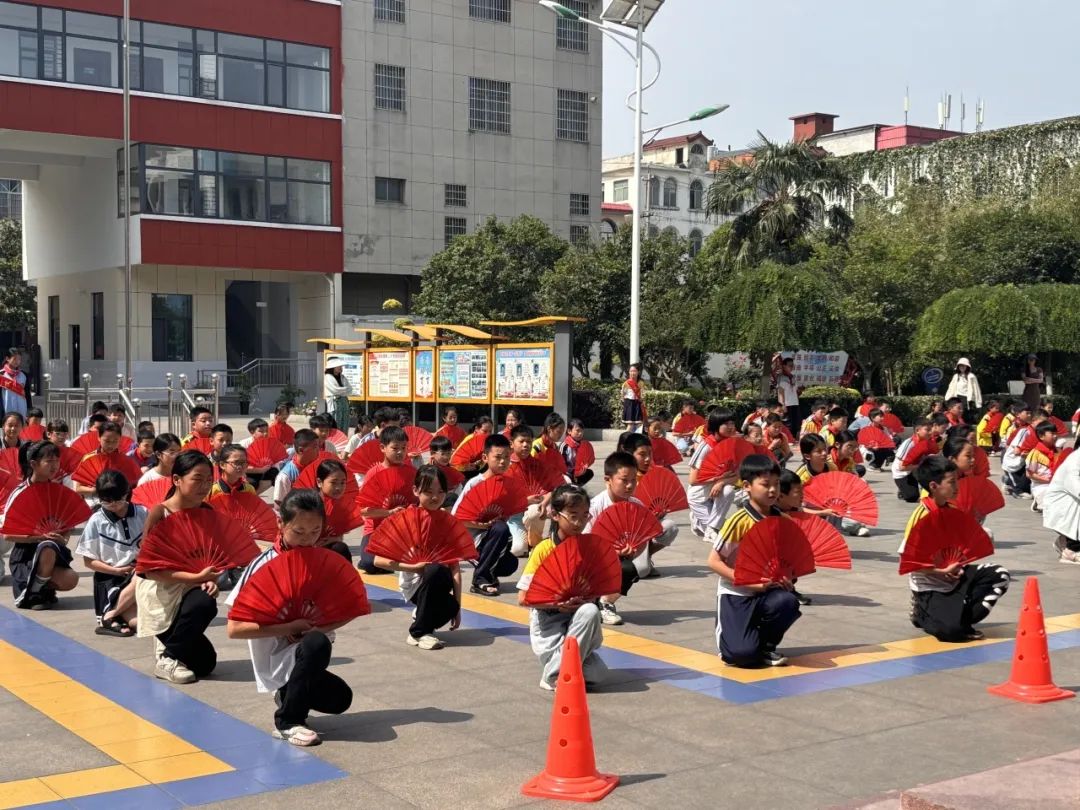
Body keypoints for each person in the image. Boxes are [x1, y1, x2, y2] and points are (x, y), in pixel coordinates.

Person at [226, 489, 354, 747]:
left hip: (306, 653)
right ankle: (287, 721)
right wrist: (289, 626)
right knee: (317, 644)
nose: (307, 540)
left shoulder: (321, 560)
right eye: (298, 532)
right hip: (276, 656)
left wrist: (318, 626)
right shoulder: (263, 565)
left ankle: (290, 692)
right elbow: (235, 629)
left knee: (340, 699)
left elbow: (347, 610)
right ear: (280, 524)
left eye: (315, 531)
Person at [900, 456, 1010, 642]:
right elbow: (909, 563)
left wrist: (958, 566)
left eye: (956, 481)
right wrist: (941, 570)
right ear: (934, 486)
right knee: (951, 633)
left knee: (1000, 575)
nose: (957, 487)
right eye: (951, 482)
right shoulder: (921, 516)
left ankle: (961, 618)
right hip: (930, 583)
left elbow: (960, 547)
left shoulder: (952, 509)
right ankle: (923, 611)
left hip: (954, 576)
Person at [708, 454, 801, 667]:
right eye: (765, 484)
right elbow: (714, 561)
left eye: (776, 484)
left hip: (768, 590)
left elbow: (788, 560)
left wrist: (788, 578)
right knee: (739, 655)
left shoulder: (783, 520)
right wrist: (745, 581)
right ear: (747, 486)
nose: (772, 490)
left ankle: (767, 646)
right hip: (736, 593)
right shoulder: (738, 521)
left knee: (787, 602)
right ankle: (736, 638)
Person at [136, 450, 219, 684]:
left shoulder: (208, 513)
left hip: (189, 585)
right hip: (160, 589)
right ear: (177, 480)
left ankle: (168, 652)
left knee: (206, 664)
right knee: (203, 605)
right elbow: (148, 570)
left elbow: (211, 556)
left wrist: (209, 578)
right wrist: (195, 578)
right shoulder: (160, 513)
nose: (204, 486)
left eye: (208, 480)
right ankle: (169, 659)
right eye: (197, 478)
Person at [518, 484, 607, 691]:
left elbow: (599, 587)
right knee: (590, 611)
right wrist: (558, 605)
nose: (580, 522)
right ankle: (554, 674)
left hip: (577, 626)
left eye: (585, 515)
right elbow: (523, 598)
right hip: (549, 625)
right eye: (573, 515)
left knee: (599, 674)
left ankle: (561, 667)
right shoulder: (544, 549)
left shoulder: (589, 549)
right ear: (556, 515)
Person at [374, 465, 463, 651]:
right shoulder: (405, 519)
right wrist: (413, 567)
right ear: (415, 491)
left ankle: (421, 622)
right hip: (414, 584)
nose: (435, 497)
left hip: (438, 581)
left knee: (450, 604)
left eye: (440, 492)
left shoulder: (447, 522)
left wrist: (458, 608)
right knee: (436, 569)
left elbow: (455, 568)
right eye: (429, 492)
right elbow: (378, 561)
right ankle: (418, 632)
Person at [3, 442, 80, 609]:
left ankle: (41, 588)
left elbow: (68, 526)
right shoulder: (20, 492)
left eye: (56, 461)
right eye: (48, 461)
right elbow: (7, 535)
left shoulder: (58, 491)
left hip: (52, 549)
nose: (54, 466)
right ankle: (34, 592)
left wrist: (63, 538)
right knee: (47, 546)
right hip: (25, 554)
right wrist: (40, 537)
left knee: (71, 578)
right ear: (33, 464)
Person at [583, 452, 652, 626]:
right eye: (624, 480)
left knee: (636, 567)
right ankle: (590, 598)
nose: (630, 485)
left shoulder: (637, 506)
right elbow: (584, 543)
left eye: (634, 480)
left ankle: (606, 602)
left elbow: (642, 539)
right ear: (608, 479)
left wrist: (633, 552)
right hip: (591, 561)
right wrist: (611, 553)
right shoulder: (594, 506)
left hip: (618, 559)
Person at [76, 469, 146, 636]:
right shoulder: (96, 521)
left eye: (118, 499)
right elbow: (88, 561)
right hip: (110, 579)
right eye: (106, 501)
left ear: (127, 493)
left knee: (148, 623)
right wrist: (116, 570)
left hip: (139, 575)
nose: (113, 504)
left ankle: (112, 616)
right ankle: (113, 613)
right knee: (141, 623)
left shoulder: (143, 513)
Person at [451, 433, 519, 596]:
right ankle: (480, 579)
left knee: (511, 564)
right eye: (498, 457)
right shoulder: (475, 483)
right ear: (485, 457)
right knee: (501, 528)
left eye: (507, 457)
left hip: (495, 537)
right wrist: (478, 524)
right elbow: (456, 517)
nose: (503, 461)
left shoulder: (507, 484)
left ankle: (489, 572)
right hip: (473, 542)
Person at [614, 433, 679, 573]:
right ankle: (625, 558)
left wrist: (658, 515)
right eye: (642, 454)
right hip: (625, 532)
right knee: (642, 571)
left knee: (670, 527)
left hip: (645, 529)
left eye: (650, 453)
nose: (648, 459)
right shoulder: (619, 477)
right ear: (629, 454)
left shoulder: (654, 474)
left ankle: (645, 555)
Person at [355, 426, 410, 574]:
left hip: (403, 529)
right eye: (395, 448)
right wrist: (389, 512)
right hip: (376, 529)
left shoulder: (410, 472)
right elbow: (364, 512)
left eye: (404, 448)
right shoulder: (374, 473)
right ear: (382, 448)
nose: (400, 452)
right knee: (368, 564)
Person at [687, 409, 739, 540]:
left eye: (732, 423)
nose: (731, 427)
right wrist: (719, 478)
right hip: (698, 496)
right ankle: (700, 520)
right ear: (716, 425)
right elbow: (692, 480)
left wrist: (721, 483)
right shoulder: (706, 447)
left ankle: (709, 527)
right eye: (726, 424)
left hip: (716, 492)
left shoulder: (733, 445)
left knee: (728, 491)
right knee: (723, 536)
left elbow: (737, 475)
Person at [1044, 435, 1080, 564]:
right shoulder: (1075, 460)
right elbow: (1076, 487)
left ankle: (1065, 541)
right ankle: (1071, 550)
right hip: (1064, 506)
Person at [311, 459, 355, 563]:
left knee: (340, 548)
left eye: (342, 482)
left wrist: (334, 539)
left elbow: (339, 535)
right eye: (333, 482)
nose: (338, 488)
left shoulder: (342, 506)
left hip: (327, 547)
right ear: (319, 482)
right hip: (305, 548)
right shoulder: (309, 504)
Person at [272, 429, 320, 511]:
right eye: (315, 447)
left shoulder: (319, 467)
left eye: (318, 446)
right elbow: (278, 505)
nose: (318, 450)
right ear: (301, 450)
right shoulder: (285, 476)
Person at [892, 419, 938, 502]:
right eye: (927, 430)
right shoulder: (909, 443)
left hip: (914, 469)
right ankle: (902, 489)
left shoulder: (928, 441)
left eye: (931, 430)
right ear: (917, 431)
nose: (930, 432)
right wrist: (921, 464)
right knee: (912, 497)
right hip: (902, 473)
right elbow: (901, 467)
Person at [1000, 406, 1036, 499]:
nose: (1029, 416)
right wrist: (1017, 451)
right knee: (1018, 483)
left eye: (1030, 414)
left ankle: (1008, 481)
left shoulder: (1027, 427)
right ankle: (1015, 489)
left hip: (1021, 459)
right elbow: (1009, 442)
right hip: (1012, 458)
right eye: (1027, 413)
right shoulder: (1018, 427)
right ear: (1018, 414)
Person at [1026, 422, 1059, 514]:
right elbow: (1029, 473)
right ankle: (1037, 502)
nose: (1055, 436)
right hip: (1041, 484)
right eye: (1052, 434)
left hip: (1055, 483)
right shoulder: (1035, 453)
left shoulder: (1058, 451)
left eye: (1056, 433)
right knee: (1047, 507)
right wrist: (1044, 479)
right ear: (1041, 436)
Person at [561, 418, 594, 487]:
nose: (580, 433)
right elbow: (560, 465)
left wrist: (583, 468)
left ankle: (575, 486)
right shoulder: (565, 446)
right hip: (565, 474)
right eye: (577, 431)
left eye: (582, 431)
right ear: (569, 431)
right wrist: (572, 473)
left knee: (589, 473)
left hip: (577, 472)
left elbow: (589, 459)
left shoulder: (584, 444)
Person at [323, 361, 352, 432]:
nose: (341, 368)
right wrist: (345, 390)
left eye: (341, 366)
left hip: (344, 401)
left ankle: (343, 439)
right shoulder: (328, 377)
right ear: (333, 367)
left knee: (345, 422)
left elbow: (350, 389)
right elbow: (335, 390)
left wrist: (342, 391)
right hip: (335, 402)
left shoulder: (342, 377)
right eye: (338, 366)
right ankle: (335, 440)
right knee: (335, 421)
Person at [0, 347, 28, 418]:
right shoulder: (1, 374)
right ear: (7, 359)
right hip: (6, 410)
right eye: (14, 358)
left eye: (19, 359)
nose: (17, 361)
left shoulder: (23, 375)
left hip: (22, 410)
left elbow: (27, 393)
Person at [775, 357, 800, 437]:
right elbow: (780, 392)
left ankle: (793, 438)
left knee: (795, 422)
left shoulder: (793, 377)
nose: (792, 367)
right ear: (784, 366)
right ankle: (788, 438)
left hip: (794, 402)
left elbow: (795, 391)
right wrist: (782, 404)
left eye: (792, 365)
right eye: (789, 365)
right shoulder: (781, 377)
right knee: (788, 423)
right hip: (787, 404)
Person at [620, 363, 646, 432]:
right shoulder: (626, 383)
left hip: (637, 404)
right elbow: (622, 395)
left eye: (634, 371)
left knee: (639, 424)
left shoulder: (641, 383)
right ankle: (625, 439)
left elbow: (643, 394)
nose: (632, 373)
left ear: (638, 372)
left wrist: (642, 401)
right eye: (631, 371)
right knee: (630, 425)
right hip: (629, 404)